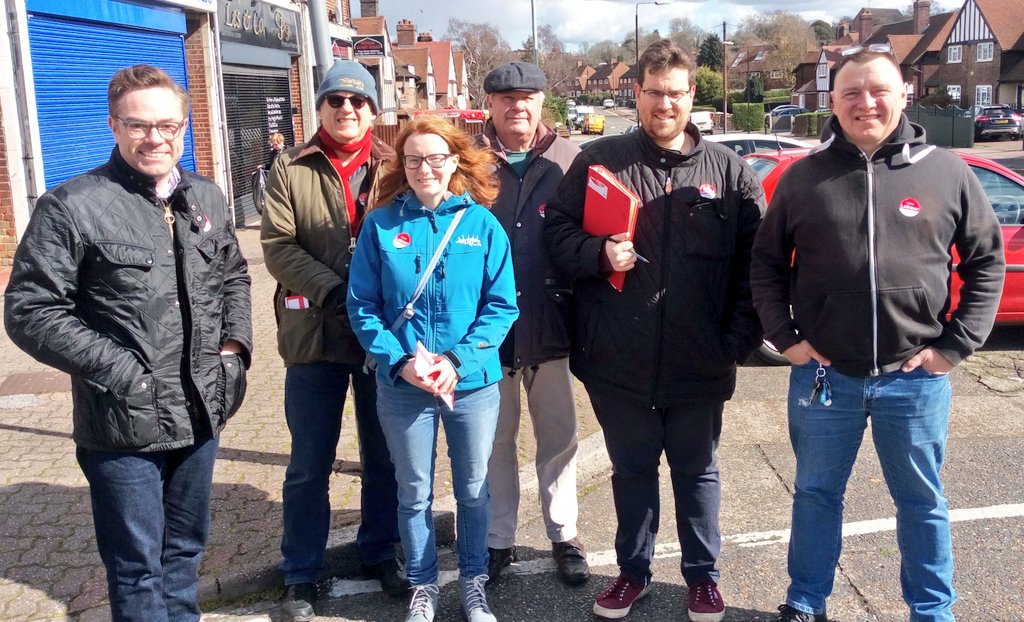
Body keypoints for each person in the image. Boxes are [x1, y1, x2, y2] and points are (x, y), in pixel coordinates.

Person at [750, 47, 1005, 622]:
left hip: (914, 377)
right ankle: (806, 600)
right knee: (815, 495)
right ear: (833, 103)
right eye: (851, 94)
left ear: (903, 93)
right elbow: (765, 265)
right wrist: (786, 339)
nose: (866, 103)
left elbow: (986, 260)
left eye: (878, 90)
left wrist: (954, 346)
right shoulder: (804, 177)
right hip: (824, 376)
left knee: (921, 501)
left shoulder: (947, 171)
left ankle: (932, 609)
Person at [4, 64, 252, 622]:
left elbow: (234, 276)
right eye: (139, 126)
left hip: (201, 412)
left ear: (184, 128)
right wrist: (123, 373)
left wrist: (233, 353)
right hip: (122, 423)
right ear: (114, 126)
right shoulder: (72, 206)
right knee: (137, 570)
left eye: (168, 125)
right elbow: (29, 309)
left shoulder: (207, 197)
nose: (155, 138)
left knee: (185, 555)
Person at [544, 40, 764, 622]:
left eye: (676, 93)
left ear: (693, 95)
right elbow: (556, 235)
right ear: (636, 93)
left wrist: (735, 343)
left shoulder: (732, 173)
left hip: (702, 362)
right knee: (632, 474)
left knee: (697, 475)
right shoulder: (598, 161)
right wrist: (597, 254)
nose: (664, 104)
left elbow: (755, 270)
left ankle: (702, 578)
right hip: (617, 362)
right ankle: (633, 573)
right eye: (653, 92)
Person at [347, 116, 519, 622]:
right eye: (415, 158)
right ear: (402, 165)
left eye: (436, 157)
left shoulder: (483, 225)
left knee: (472, 489)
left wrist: (457, 360)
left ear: (455, 161)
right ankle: (424, 585)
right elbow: (363, 306)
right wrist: (399, 363)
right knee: (414, 491)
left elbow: (502, 305)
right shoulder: (381, 225)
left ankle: (473, 582)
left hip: (470, 385)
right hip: (403, 385)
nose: (426, 168)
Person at [261, 60, 406, 621]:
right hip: (315, 333)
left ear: (373, 110)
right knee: (308, 463)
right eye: (335, 101)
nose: (347, 110)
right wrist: (339, 289)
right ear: (319, 107)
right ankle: (300, 571)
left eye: (358, 101)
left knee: (385, 457)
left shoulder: (395, 165)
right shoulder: (291, 168)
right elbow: (277, 245)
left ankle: (379, 551)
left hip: (382, 338)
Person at [475, 61, 589, 587]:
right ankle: (497, 541)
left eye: (527, 97)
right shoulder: (466, 162)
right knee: (494, 442)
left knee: (559, 438)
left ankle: (564, 535)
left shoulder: (572, 160)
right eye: (505, 97)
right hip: (484, 333)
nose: (516, 106)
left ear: (543, 102)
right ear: (489, 104)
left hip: (552, 325)